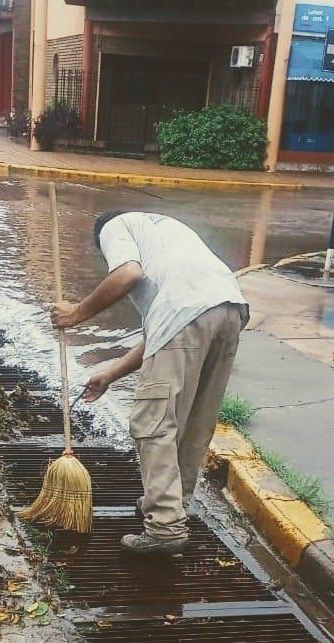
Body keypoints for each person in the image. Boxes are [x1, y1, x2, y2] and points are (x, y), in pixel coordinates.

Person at [52, 211, 248, 555]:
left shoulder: (114, 227)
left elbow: (127, 274)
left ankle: (165, 526)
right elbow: (166, 335)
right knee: (194, 422)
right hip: (229, 309)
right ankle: (175, 506)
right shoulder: (166, 231)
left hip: (189, 314)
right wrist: (110, 374)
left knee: (152, 423)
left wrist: (77, 313)